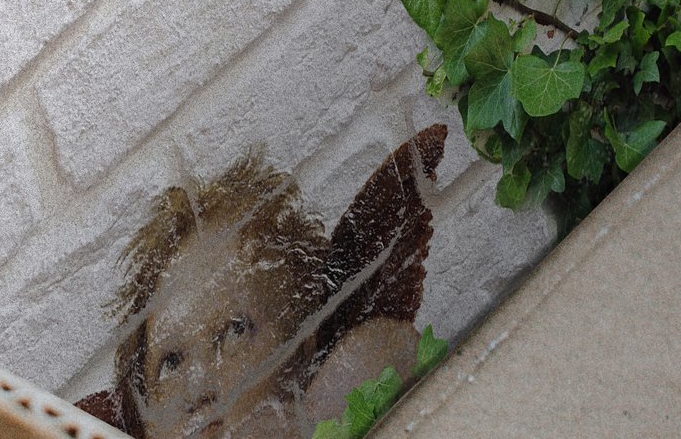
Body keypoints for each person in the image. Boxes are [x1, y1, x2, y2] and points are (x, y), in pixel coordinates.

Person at [77, 127, 446, 439]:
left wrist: (305, 420)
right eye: (169, 363)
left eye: (235, 331)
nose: (197, 386)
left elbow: (386, 348)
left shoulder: (334, 385)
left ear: (301, 347)